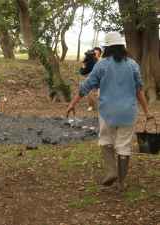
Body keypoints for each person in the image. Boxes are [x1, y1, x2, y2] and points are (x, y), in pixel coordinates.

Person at [67, 32, 152, 191]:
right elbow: (139, 90)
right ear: (122, 46)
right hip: (128, 112)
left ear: (107, 48)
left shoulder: (102, 65)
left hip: (107, 112)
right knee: (124, 146)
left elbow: (86, 86)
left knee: (106, 140)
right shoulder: (133, 65)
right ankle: (121, 183)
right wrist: (147, 111)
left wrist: (72, 104)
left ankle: (111, 171)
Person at [79, 47, 102, 111]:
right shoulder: (89, 61)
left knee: (99, 95)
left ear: (99, 54)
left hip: (101, 80)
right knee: (89, 93)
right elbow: (82, 72)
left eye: (96, 53)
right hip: (92, 80)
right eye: (94, 53)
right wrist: (84, 65)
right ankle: (91, 106)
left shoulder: (102, 61)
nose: (94, 55)